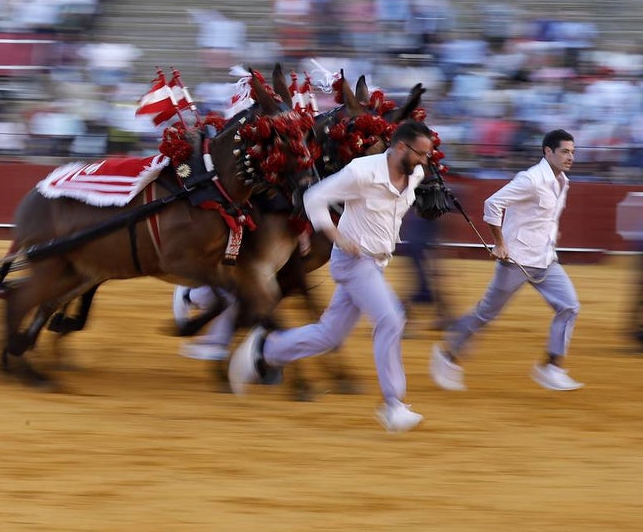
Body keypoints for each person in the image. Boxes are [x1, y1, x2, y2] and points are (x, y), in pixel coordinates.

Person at [228, 119, 435, 433]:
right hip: (354, 261)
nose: (424, 161)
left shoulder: (415, 175)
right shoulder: (361, 172)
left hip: (376, 263)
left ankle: (264, 351)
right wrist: (336, 236)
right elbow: (313, 197)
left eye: (427, 156)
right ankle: (393, 405)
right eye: (421, 154)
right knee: (391, 319)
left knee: (329, 335)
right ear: (401, 147)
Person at [429, 129, 582, 392]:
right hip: (516, 260)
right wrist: (500, 242)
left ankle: (552, 367)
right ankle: (447, 356)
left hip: (545, 260)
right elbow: (493, 204)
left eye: (572, 152)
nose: (570, 157)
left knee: (569, 307)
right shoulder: (531, 179)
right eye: (565, 151)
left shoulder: (562, 181)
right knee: (486, 313)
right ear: (548, 152)